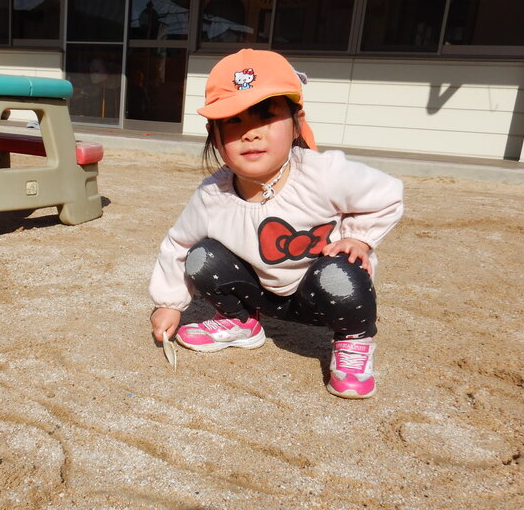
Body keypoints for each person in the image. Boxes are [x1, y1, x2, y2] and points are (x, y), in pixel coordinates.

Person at [148, 49, 404, 399]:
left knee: (341, 269)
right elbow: (178, 244)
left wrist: (360, 239)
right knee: (200, 255)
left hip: (321, 293)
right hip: (262, 293)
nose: (250, 134)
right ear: (215, 133)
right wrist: (169, 302)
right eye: (234, 121)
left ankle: (353, 342)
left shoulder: (323, 173)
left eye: (265, 116)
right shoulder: (213, 194)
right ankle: (241, 322)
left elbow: (388, 193)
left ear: (297, 122)